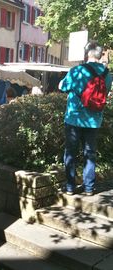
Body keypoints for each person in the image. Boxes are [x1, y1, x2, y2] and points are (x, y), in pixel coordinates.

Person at [59, 41, 112, 196]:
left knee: (70, 152)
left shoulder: (77, 70)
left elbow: (62, 86)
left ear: (88, 53)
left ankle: (70, 187)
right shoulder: (106, 74)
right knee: (90, 153)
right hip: (94, 120)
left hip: (74, 118)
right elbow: (105, 92)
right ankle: (89, 188)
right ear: (100, 54)